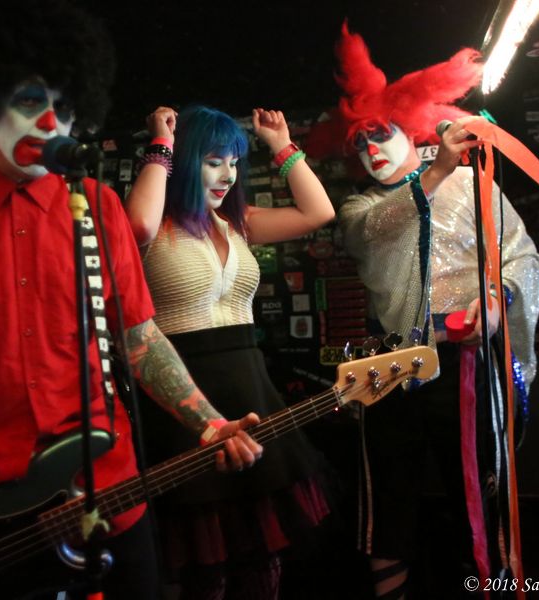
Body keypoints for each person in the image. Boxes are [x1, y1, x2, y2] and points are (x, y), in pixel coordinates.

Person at [0, 3, 262, 599]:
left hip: (106, 493)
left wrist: (208, 423)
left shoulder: (98, 206)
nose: (53, 122)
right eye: (31, 100)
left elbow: (138, 336)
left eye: (66, 106)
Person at [305, 22, 539, 599]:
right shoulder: (359, 207)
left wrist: (497, 303)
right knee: (387, 498)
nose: (372, 149)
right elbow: (377, 230)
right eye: (360, 144)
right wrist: (435, 172)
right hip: (390, 366)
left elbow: (524, 258)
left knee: (480, 489)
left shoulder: (473, 186)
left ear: (410, 128)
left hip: (467, 362)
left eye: (380, 134)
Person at [125, 105, 335, 599]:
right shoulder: (154, 222)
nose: (228, 175)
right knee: (204, 570)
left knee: (262, 565)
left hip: (250, 390)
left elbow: (319, 213)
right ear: (185, 161)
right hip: (182, 396)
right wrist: (162, 145)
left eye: (234, 162)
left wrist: (281, 146)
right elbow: (138, 225)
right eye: (214, 161)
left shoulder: (237, 223)